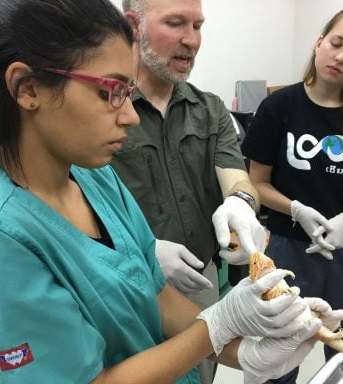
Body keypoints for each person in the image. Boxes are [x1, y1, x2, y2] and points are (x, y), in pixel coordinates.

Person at [0, 1, 343, 384]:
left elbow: (157, 296)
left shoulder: (94, 178)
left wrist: (245, 349)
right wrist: (220, 323)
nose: (128, 115)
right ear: (27, 89)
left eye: (127, 91)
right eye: (110, 91)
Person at [241, 6, 343, 383]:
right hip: (288, 250)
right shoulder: (279, 107)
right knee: (280, 353)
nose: (341, 57)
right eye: (336, 43)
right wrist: (297, 209)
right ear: (319, 42)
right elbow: (258, 183)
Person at [110, 1, 267, 382]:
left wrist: (241, 203)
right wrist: (143, 250)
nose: (191, 40)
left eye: (198, 26)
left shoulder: (210, 109)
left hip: (199, 279)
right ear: (134, 26)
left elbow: (237, 177)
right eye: (176, 24)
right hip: (124, 283)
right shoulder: (108, 106)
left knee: (200, 373)